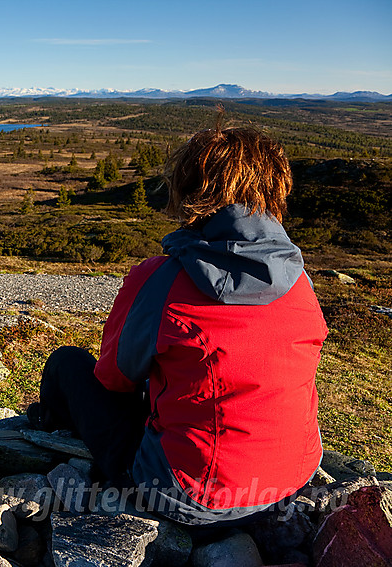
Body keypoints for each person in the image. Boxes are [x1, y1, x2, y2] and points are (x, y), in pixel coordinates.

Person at [32, 125, 327, 526]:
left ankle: (46, 429)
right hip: (294, 476)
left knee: (67, 364)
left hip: (193, 496)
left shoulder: (162, 279)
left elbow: (114, 378)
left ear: (190, 190)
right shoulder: (300, 280)